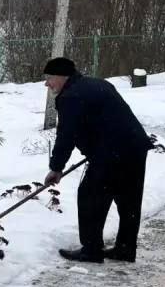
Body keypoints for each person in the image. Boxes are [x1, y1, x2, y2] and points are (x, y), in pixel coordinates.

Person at [42, 57, 153, 264]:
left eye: (49, 78)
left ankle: (91, 250)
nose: (47, 83)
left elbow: (66, 135)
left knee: (90, 198)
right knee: (128, 202)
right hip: (135, 148)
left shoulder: (70, 96)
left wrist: (56, 168)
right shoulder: (98, 83)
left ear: (62, 76)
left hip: (110, 153)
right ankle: (125, 249)